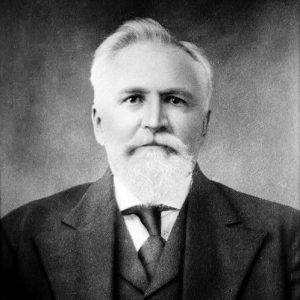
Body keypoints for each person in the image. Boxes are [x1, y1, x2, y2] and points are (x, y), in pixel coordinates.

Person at [1, 18, 299, 300]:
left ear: (205, 124)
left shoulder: (287, 238)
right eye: (134, 99)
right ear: (99, 123)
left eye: (174, 100)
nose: (155, 121)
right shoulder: (18, 238)